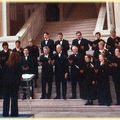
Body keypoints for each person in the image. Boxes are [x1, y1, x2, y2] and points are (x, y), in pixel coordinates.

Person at [2, 52, 22, 117]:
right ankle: (14, 114)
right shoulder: (18, 64)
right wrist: (18, 83)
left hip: (6, 84)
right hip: (14, 84)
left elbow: (3, 74)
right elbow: (19, 75)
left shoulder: (6, 64)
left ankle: (5, 113)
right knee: (14, 99)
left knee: (6, 99)